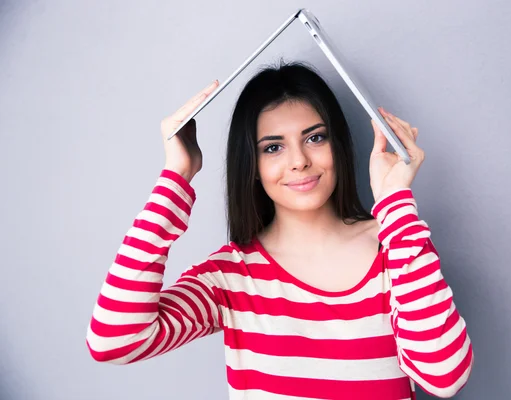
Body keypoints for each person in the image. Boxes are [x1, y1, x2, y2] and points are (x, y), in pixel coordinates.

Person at [86, 61, 473, 399]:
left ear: (337, 143)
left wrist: (395, 203)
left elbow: (445, 376)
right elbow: (113, 340)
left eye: (315, 138)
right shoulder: (229, 277)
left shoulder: (398, 245)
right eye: (273, 147)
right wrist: (177, 176)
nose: (299, 162)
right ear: (250, 163)